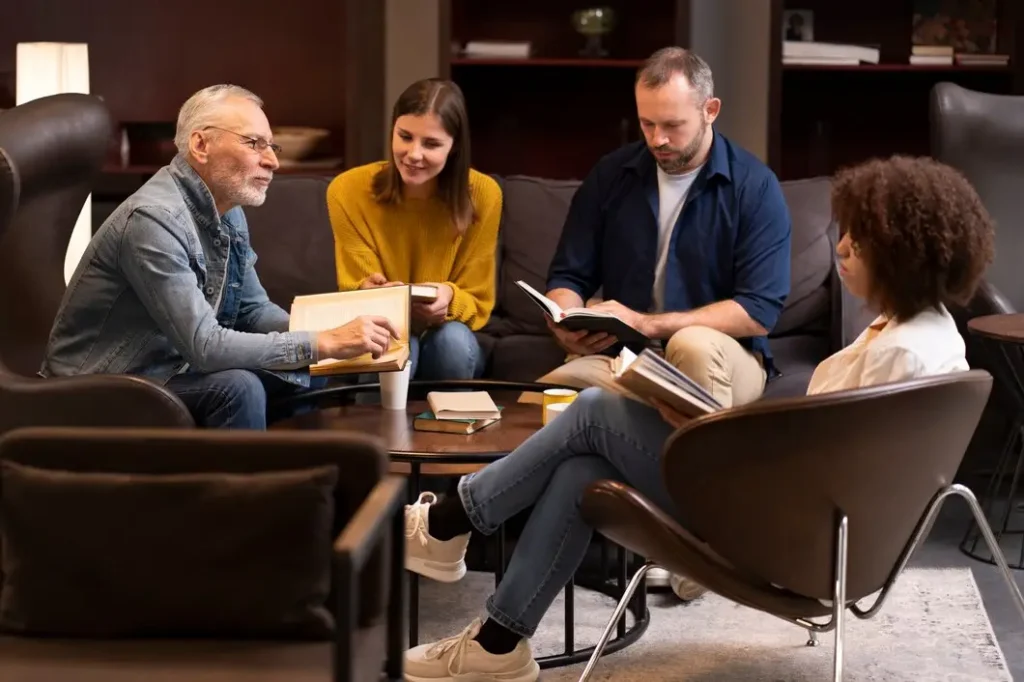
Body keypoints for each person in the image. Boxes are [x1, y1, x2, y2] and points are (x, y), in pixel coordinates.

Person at [400, 154, 995, 681]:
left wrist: (714, 442)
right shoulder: (925, 332)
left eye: (860, 243)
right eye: (848, 233)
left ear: (903, 255)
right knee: (582, 470)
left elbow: (832, 480)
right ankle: (498, 642)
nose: (841, 248)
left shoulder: (900, 354)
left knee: (595, 410)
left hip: (791, 540)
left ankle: (451, 520)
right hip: (804, 524)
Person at [40, 84, 400, 429]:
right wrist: (322, 342)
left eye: (271, 145)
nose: (273, 161)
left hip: (168, 369)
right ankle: (250, 476)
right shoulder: (152, 220)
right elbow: (206, 346)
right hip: (98, 388)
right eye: (254, 143)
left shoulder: (228, 209)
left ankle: (293, 469)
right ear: (201, 145)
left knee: (307, 370)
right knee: (238, 387)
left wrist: (330, 334)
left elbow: (252, 311)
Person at [535, 46, 791, 413]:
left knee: (692, 345)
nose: (657, 139)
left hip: (723, 355)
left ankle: (669, 423)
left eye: (672, 125)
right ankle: (653, 415)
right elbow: (569, 276)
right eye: (647, 124)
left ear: (710, 110)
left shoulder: (755, 187)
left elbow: (758, 310)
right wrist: (565, 323)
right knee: (547, 398)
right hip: (625, 356)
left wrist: (647, 324)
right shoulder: (611, 175)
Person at [326, 78, 502, 381]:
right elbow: (354, 289)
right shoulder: (347, 190)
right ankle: (376, 415)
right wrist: (371, 292)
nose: (413, 154)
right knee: (396, 341)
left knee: (451, 341)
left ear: (455, 146)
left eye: (431, 144)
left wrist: (449, 296)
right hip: (381, 325)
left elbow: (477, 301)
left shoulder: (484, 194)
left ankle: (448, 413)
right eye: (405, 136)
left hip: (449, 335)